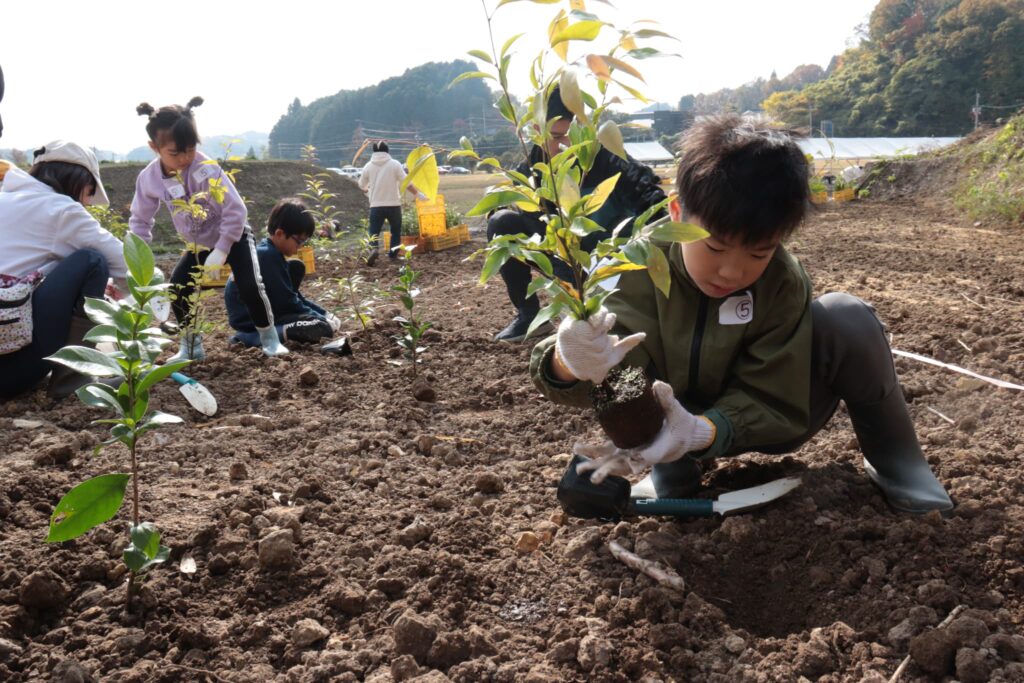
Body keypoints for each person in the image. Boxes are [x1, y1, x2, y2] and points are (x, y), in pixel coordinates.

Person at [530, 113, 953, 515]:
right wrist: (568, 360)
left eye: (759, 252)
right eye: (713, 247)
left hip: (758, 422)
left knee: (847, 318)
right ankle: (670, 468)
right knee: (612, 355)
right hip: (660, 425)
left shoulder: (781, 283)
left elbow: (775, 391)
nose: (732, 271)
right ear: (677, 214)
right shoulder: (636, 267)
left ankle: (898, 461)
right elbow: (603, 369)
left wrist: (701, 430)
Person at [488, 88, 668, 343]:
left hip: (616, 263)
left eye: (573, 135)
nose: (566, 145)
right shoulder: (534, 166)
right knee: (501, 223)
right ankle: (528, 316)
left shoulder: (606, 157)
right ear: (537, 132)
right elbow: (509, 206)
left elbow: (653, 203)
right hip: (569, 262)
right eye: (557, 136)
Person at [128, 97, 286, 360]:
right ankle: (192, 347)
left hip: (234, 235)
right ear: (154, 147)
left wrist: (223, 249)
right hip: (199, 244)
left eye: (189, 149)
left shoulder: (205, 168)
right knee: (178, 287)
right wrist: (138, 257)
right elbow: (140, 220)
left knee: (250, 284)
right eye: (174, 153)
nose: (184, 158)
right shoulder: (149, 179)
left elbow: (236, 210)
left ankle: (269, 338)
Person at [0, 140, 127, 399]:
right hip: (10, 374)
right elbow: (129, 263)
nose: (88, 203)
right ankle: (73, 381)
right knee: (92, 261)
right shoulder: (61, 210)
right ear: (78, 182)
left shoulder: (5, 199)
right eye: (90, 192)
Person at [225, 198, 339, 347]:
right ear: (279, 233)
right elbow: (288, 303)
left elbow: (294, 296)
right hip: (249, 319)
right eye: (299, 241)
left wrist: (324, 314)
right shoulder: (268, 256)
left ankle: (260, 334)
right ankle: (248, 338)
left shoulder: (272, 253)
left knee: (295, 267)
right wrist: (322, 320)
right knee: (320, 328)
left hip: (261, 313)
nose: (300, 247)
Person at [358, 141, 426, 265]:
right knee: (395, 230)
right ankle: (393, 255)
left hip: (376, 205)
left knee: (373, 231)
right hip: (393, 204)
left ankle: (373, 249)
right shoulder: (394, 164)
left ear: (374, 152)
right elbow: (406, 183)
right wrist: (418, 194)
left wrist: (368, 190)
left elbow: (361, 184)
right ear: (387, 151)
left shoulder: (368, 166)